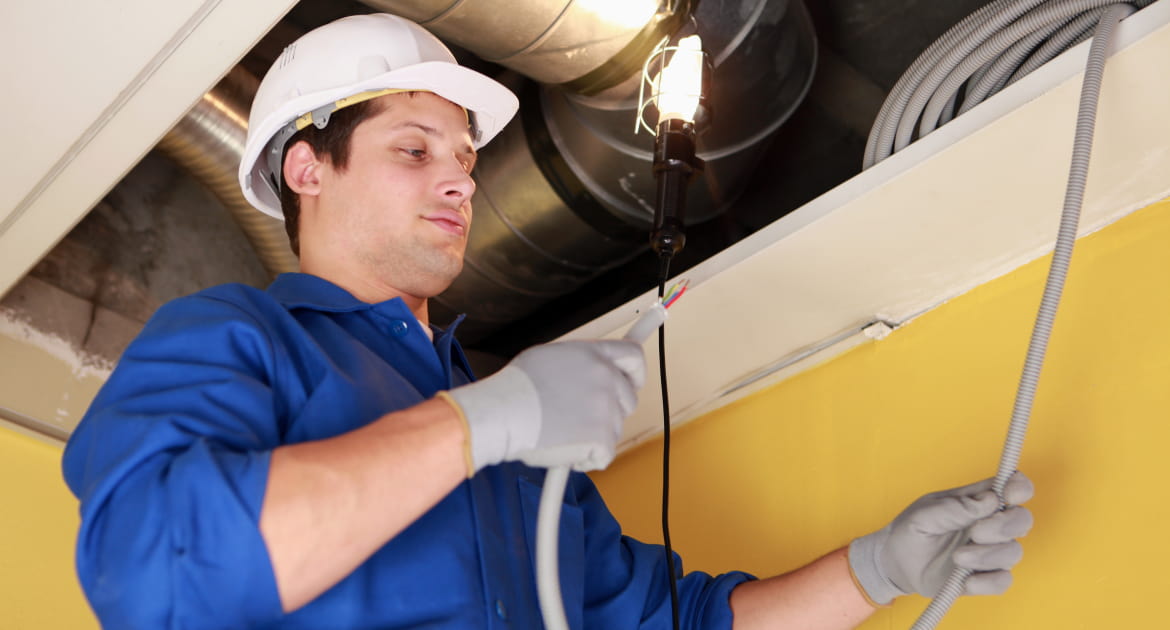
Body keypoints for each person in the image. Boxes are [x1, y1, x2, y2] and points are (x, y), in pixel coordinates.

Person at [62, 13, 1033, 630]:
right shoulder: (230, 339)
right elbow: (157, 578)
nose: (460, 179)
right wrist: (479, 423)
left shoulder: (521, 441)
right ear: (308, 169)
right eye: (414, 149)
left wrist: (876, 569)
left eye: (464, 158)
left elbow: (682, 625)